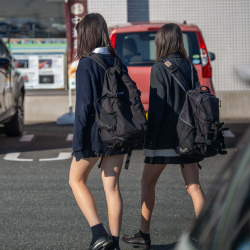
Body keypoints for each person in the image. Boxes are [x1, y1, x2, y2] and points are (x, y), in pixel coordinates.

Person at [122, 23, 206, 249]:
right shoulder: (189, 66)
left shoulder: (159, 68)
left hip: (163, 139)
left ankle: (144, 235)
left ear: (161, 42)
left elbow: (158, 109)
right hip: (189, 137)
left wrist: (148, 138)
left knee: (147, 184)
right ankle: (205, 236)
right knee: (194, 187)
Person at [69, 13, 128, 250]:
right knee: (111, 186)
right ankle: (113, 242)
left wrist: (77, 143)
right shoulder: (118, 61)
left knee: (76, 180)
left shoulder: (86, 64)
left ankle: (98, 233)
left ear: (85, 34)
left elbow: (83, 108)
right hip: (118, 133)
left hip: (94, 134)